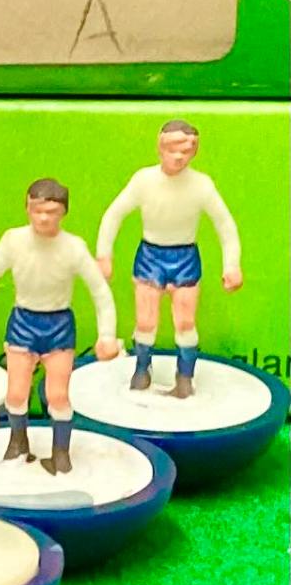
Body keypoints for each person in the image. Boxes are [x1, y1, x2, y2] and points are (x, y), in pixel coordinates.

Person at [0, 178, 118, 474]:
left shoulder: (74, 247)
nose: (44, 218)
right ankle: (17, 443)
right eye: (37, 210)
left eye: (51, 212)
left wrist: (107, 335)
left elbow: (100, 291)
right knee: (15, 394)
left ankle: (61, 453)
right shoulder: (13, 240)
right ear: (27, 208)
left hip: (58, 326)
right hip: (23, 323)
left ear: (63, 213)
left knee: (57, 396)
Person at [96, 120, 242, 398]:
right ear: (160, 148)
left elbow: (225, 225)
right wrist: (104, 255)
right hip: (150, 256)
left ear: (194, 152)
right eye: (172, 149)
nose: (178, 157)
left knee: (185, 323)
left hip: (185, 258)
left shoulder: (202, 185)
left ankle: (185, 376)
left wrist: (231, 265)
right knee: (145, 322)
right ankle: (142, 369)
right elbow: (114, 214)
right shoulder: (144, 180)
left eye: (185, 151)